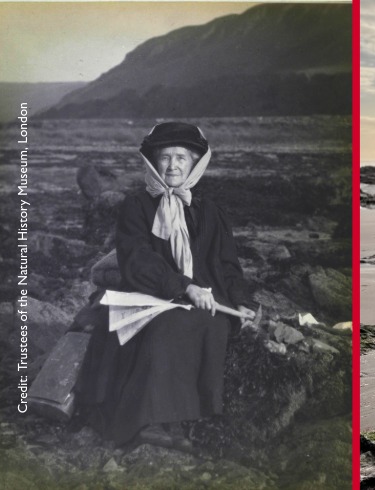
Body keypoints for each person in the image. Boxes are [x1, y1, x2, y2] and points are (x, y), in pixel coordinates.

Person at [77, 122, 256, 449]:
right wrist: (183, 286)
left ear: (194, 163)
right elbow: (137, 259)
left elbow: (226, 264)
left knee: (213, 325)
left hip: (200, 297)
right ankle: (148, 422)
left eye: (182, 158)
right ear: (152, 162)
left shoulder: (209, 211)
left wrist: (240, 300)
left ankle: (187, 418)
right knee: (169, 324)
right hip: (148, 293)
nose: (173, 165)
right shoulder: (136, 206)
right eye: (165, 157)